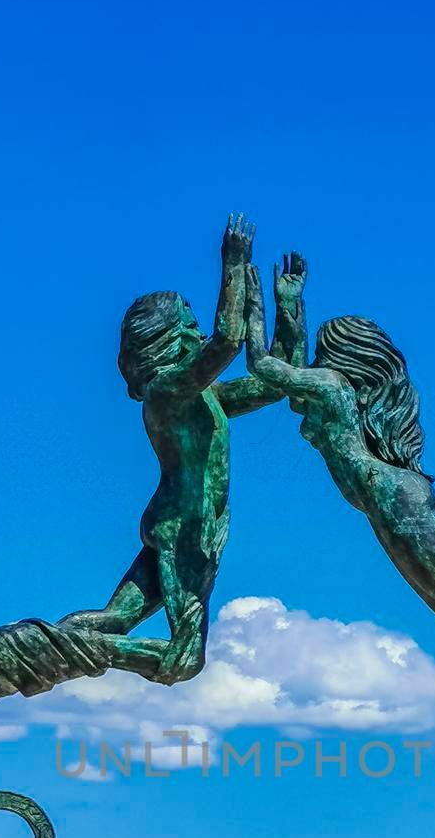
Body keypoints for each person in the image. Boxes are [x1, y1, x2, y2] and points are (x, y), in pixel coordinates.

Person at [65, 220, 306, 687]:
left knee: (112, 620)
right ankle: (70, 649)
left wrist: (287, 306)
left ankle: (50, 644)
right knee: (186, 658)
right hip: (188, 530)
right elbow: (226, 342)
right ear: (166, 338)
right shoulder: (167, 392)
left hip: (179, 523)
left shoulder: (202, 397)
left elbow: (277, 380)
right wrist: (232, 263)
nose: (198, 329)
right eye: (189, 323)